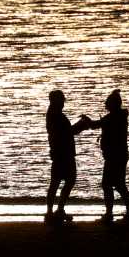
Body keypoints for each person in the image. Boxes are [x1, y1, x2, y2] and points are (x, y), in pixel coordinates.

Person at [82, 89, 129, 224]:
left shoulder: (112, 117)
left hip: (114, 156)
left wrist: (86, 120)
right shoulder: (119, 116)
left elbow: (94, 125)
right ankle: (128, 212)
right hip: (119, 155)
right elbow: (97, 125)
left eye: (108, 103)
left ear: (113, 104)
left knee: (109, 184)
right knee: (119, 184)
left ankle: (111, 213)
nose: (106, 105)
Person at [45, 89, 91, 223]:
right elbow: (67, 133)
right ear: (57, 101)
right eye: (62, 100)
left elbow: (67, 132)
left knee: (56, 182)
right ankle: (58, 210)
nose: (63, 103)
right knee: (67, 180)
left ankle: (52, 212)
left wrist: (79, 126)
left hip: (58, 152)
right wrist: (82, 125)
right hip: (63, 153)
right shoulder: (56, 115)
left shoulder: (53, 114)